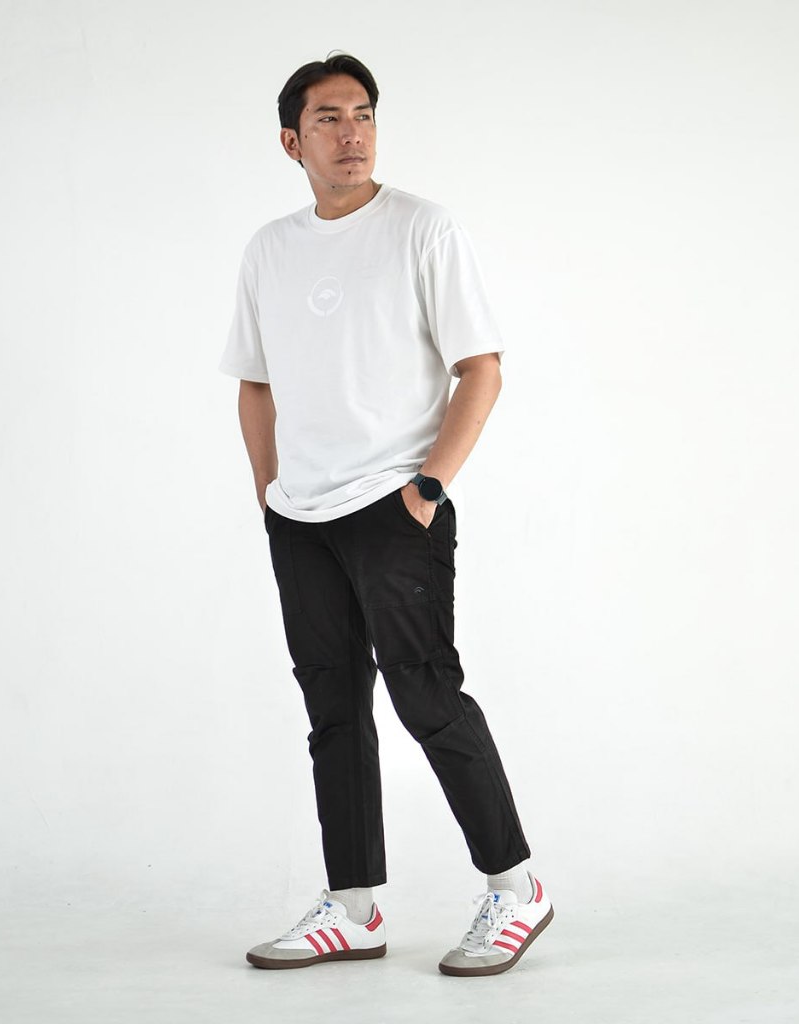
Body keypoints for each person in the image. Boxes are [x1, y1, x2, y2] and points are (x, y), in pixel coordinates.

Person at [220, 53, 552, 977]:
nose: (351, 133)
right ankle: (354, 907)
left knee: (425, 696)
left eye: (363, 114)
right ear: (292, 142)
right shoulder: (269, 249)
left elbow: (480, 368)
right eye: (328, 118)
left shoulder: (422, 229)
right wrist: (270, 493)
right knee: (332, 708)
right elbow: (254, 382)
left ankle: (516, 887)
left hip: (394, 505)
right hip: (301, 516)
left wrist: (428, 487)